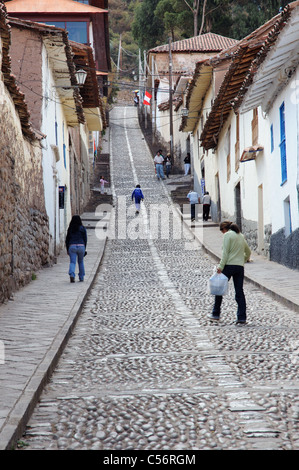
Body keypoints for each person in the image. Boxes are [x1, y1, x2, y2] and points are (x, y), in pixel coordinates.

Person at [209, 221, 251, 325]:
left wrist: (220, 266)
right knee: (239, 292)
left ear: (225, 229)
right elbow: (248, 252)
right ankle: (242, 317)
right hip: (239, 267)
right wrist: (243, 260)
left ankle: (216, 314)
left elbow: (225, 253)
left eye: (222, 231)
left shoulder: (227, 235)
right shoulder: (241, 236)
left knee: (219, 289)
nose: (222, 233)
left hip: (228, 266)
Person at [65, 215, 87, 283]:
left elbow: (67, 240)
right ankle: (81, 277)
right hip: (81, 246)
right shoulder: (82, 228)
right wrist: (84, 248)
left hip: (72, 246)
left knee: (72, 262)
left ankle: (72, 274)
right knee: (80, 262)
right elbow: (85, 239)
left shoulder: (70, 229)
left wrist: (67, 249)